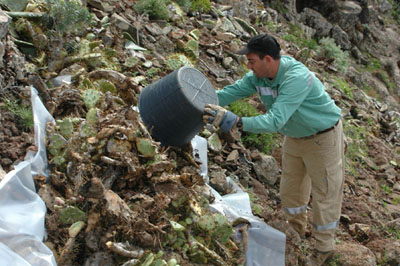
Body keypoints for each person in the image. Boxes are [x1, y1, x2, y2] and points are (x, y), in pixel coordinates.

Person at [203, 33, 344, 266]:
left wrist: (236, 122)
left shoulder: (296, 77)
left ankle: (323, 248)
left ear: (267, 59)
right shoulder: (258, 77)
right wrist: (201, 101)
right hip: (295, 137)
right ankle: (295, 234)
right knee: (291, 190)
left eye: (251, 61)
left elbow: (274, 121)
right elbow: (230, 92)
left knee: (325, 194)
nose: (248, 66)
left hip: (323, 138)